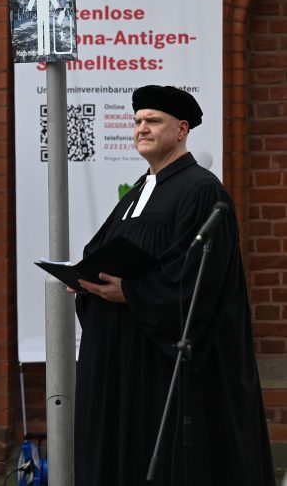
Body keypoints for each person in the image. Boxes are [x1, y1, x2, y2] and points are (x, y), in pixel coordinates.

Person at [73, 85, 275, 486]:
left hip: (163, 366)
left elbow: (198, 276)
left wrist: (131, 292)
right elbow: (103, 250)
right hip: (127, 356)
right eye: (137, 121)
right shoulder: (139, 191)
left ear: (181, 129)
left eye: (153, 121)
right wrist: (85, 279)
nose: (141, 129)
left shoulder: (201, 190)